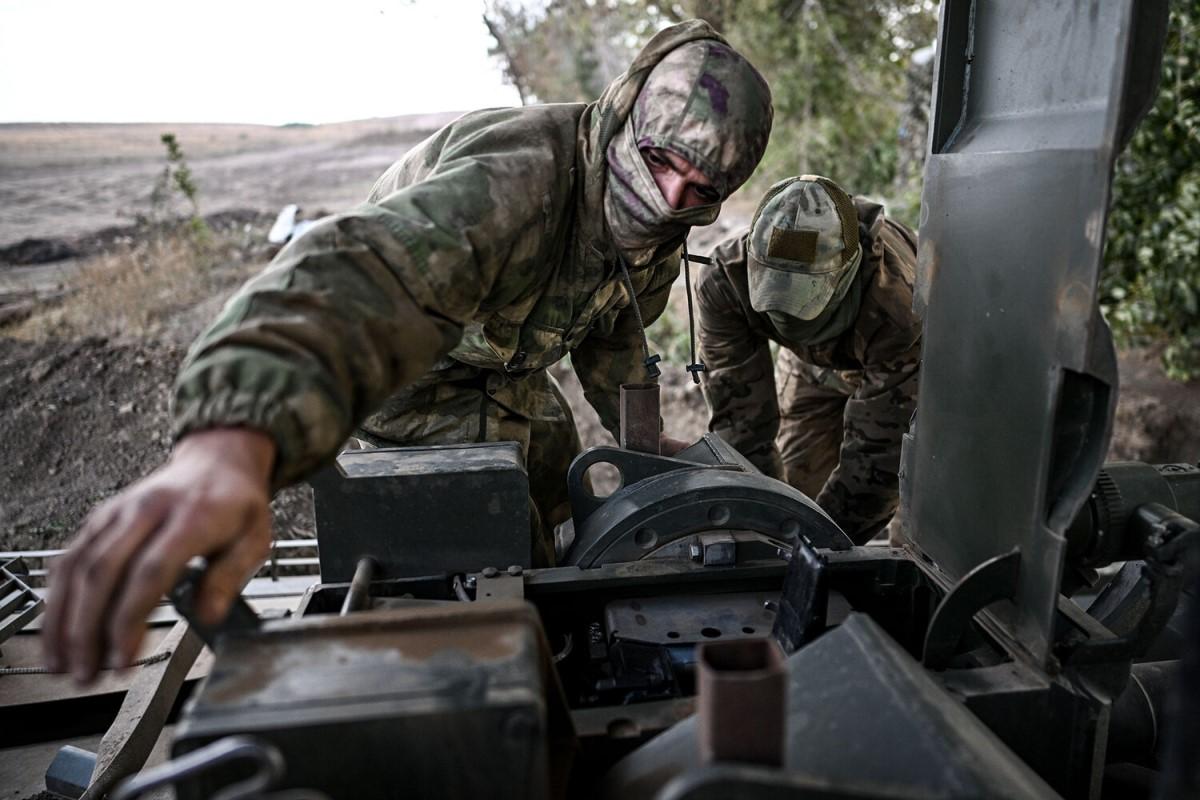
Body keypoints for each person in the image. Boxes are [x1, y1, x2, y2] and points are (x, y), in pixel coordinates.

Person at [42, 20, 773, 683]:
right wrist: (232, 447)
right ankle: (502, 679)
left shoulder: (663, 216)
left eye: (700, 187)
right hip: (416, 375)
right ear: (627, 119)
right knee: (491, 535)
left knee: (561, 489)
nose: (669, 195)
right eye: (659, 160)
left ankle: (565, 641)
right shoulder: (522, 177)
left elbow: (613, 319)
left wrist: (637, 439)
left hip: (507, 368)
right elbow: (365, 280)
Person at [695, 175, 920, 544]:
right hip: (810, 366)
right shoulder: (726, 283)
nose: (788, 316)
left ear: (846, 273)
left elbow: (879, 460)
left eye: (803, 299)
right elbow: (741, 419)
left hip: (901, 365)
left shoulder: (898, 307)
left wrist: (816, 552)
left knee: (911, 520)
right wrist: (767, 527)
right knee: (793, 493)